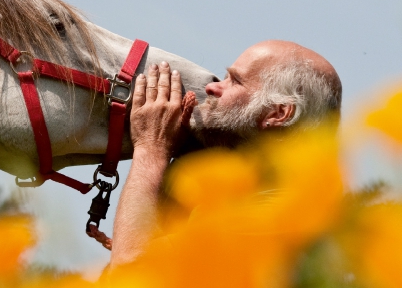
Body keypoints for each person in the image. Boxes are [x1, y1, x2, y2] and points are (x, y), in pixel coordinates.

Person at [105, 39, 342, 268]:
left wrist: (151, 148)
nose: (212, 86)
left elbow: (128, 271)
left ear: (278, 114)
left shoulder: (277, 215)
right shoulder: (262, 198)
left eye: (235, 81)